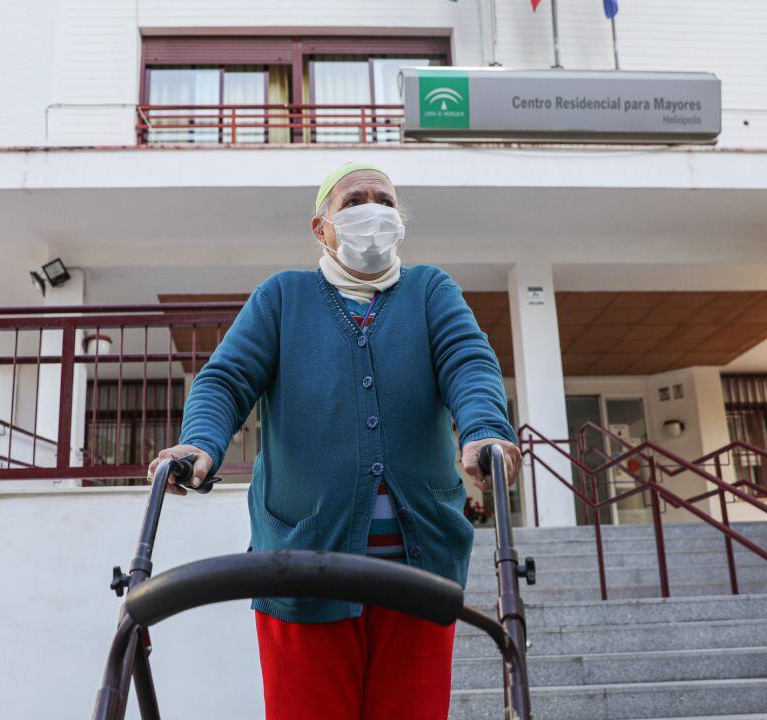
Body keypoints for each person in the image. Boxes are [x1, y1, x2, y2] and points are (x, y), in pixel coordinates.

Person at [147, 160, 521, 720]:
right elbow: (225, 379)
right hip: (302, 571)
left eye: (385, 200)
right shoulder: (283, 298)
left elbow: (469, 362)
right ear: (321, 228)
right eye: (354, 201)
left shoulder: (430, 291)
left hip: (418, 579)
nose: (373, 209)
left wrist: (484, 428)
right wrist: (200, 442)